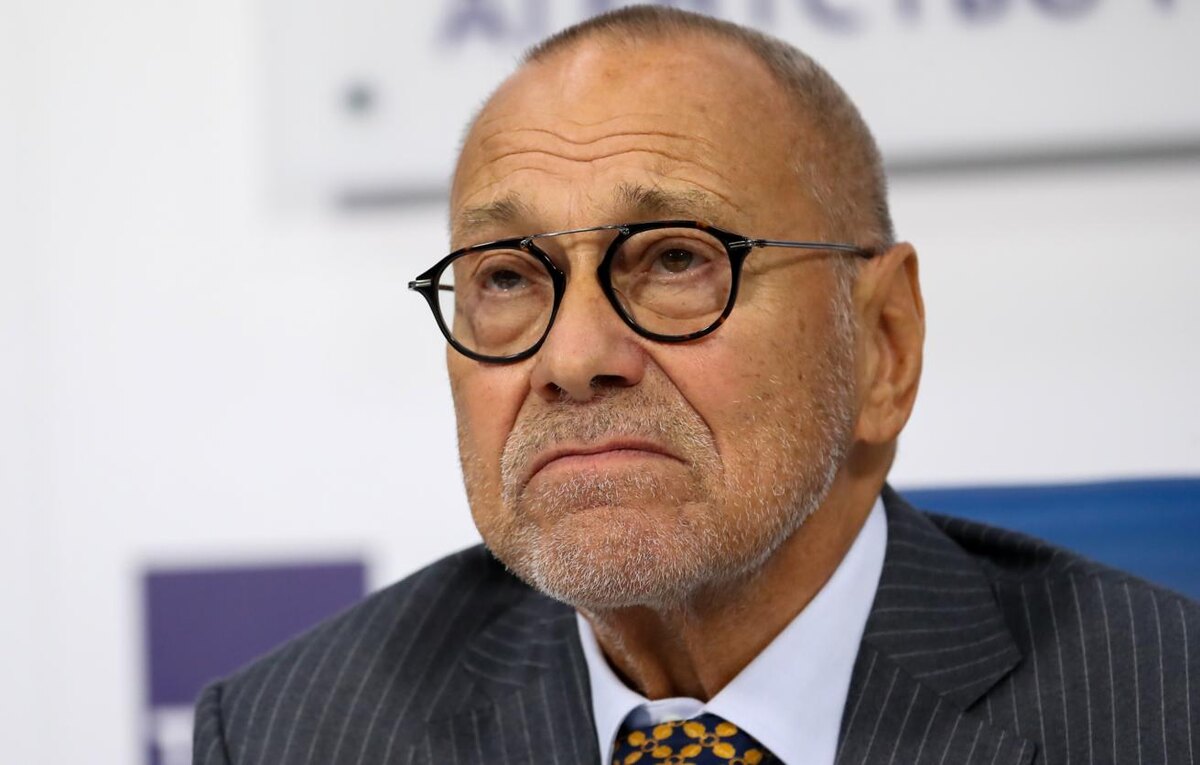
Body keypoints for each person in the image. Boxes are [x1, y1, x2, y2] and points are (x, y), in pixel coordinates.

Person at [193, 6, 1198, 764]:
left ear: (882, 344)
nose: (572, 358)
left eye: (676, 260)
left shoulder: (1164, 707)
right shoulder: (294, 733)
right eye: (506, 277)